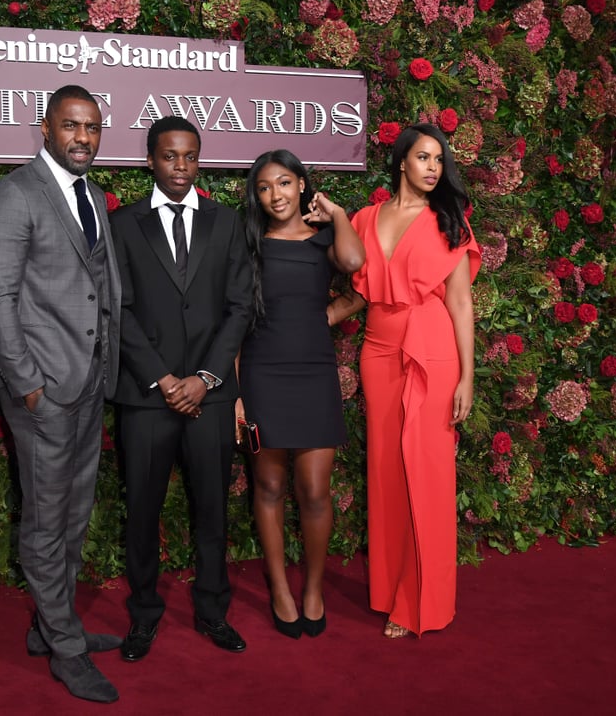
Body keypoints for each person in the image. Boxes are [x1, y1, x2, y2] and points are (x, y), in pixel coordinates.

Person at [0, 85, 123, 703]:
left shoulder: (91, 194)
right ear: (45, 128)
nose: (83, 137)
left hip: (90, 382)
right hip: (46, 389)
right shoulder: (15, 194)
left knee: (74, 511)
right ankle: (64, 647)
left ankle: (49, 625)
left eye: (91, 127)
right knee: (45, 519)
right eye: (71, 126)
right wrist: (28, 384)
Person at [110, 116, 252, 662]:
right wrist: (166, 379)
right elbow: (117, 309)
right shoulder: (123, 225)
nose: (180, 167)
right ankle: (143, 615)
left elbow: (239, 307)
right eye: (170, 157)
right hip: (147, 396)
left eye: (190, 156)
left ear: (199, 160)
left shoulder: (227, 222)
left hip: (210, 397)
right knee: (142, 511)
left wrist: (205, 378)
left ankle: (213, 610)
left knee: (212, 510)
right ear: (150, 159)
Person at [350, 123, 481, 638]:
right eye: (423, 157)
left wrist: (467, 375)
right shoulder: (364, 218)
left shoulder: (449, 221)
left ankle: (419, 602)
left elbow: (460, 302)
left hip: (432, 352)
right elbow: (362, 292)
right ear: (401, 160)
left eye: (438, 160)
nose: (432, 168)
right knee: (386, 473)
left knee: (424, 475)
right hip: (378, 352)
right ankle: (388, 590)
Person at [237, 150, 365, 639]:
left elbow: (356, 269)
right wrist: (235, 395)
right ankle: (280, 589)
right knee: (267, 487)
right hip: (261, 375)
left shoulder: (325, 239)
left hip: (314, 373)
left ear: (302, 185)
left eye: (285, 183)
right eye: (266, 187)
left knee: (314, 490)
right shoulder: (248, 244)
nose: (276, 195)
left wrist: (336, 213)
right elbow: (233, 321)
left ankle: (313, 587)